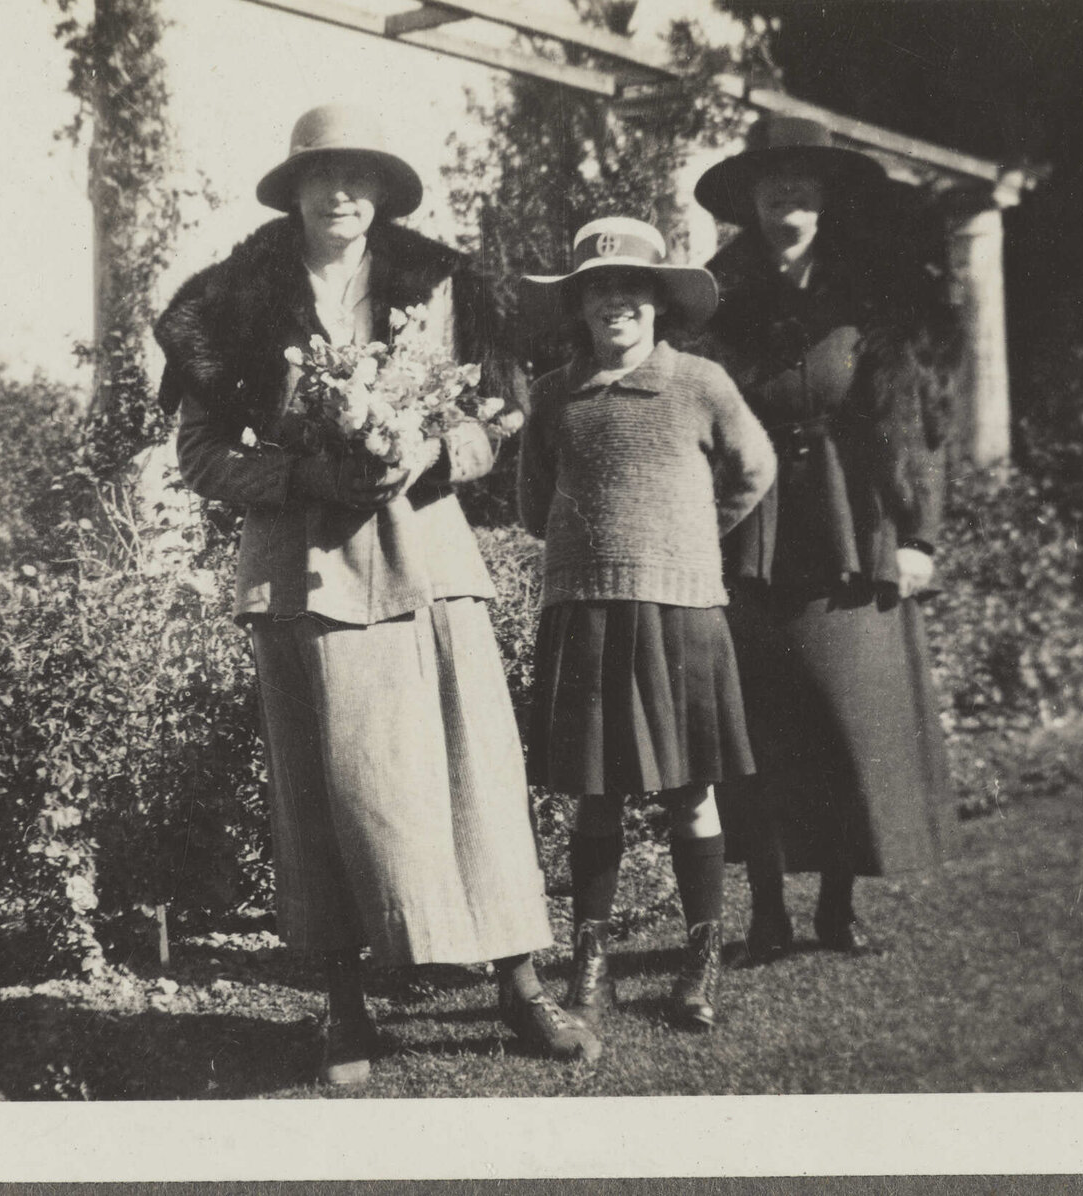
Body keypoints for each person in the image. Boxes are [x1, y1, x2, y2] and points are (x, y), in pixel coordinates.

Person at [152, 104, 598, 1086]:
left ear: (384, 191)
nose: (341, 191)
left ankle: (519, 985)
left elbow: (499, 411)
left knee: (472, 773)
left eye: (359, 175)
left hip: (427, 558)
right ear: (294, 189)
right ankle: (342, 1009)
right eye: (322, 174)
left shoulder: (435, 285)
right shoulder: (231, 303)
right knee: (328, 791)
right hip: (304, 575)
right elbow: (196, 452)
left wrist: (432, 450)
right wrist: (298, 477)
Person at [688, 115, 958, 961]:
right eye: (774, 188)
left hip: (854, 527)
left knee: (847, 722)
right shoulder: (715, 295)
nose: (789, 201)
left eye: (804, 186)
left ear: (826, 198)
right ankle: (767, 916)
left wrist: (920, 539)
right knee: (761, 727)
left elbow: (918, 426)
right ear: (752, 201)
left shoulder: (878, 292)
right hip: (749, 531)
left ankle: (836, 909)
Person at [517, 217, 776, 1031]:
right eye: (598, 287)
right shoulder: (555, 395)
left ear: (660, 302)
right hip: (584, 609)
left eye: (632, 286)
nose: (615, 300)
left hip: (681, 610)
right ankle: (590, 963)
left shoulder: (701, 383)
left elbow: (754, 469)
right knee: (595, 793)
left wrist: (690, 539)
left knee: (689, 789)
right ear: (581, 305)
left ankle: (699, 964)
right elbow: (531, 501)